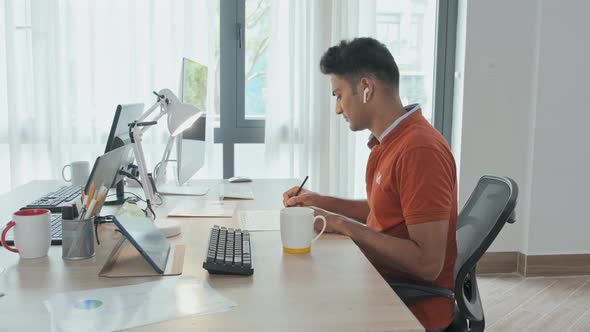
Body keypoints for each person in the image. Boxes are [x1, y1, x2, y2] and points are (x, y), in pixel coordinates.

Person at [282, 37, 457, 332]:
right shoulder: (391, 141)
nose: (338, 109)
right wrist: (321, 202)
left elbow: (428, 264)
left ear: (366, 89)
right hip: (380, 281)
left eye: (339, 95)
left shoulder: (419, 150)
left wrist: (343, 225)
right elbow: (385, 211)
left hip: (410, 308)